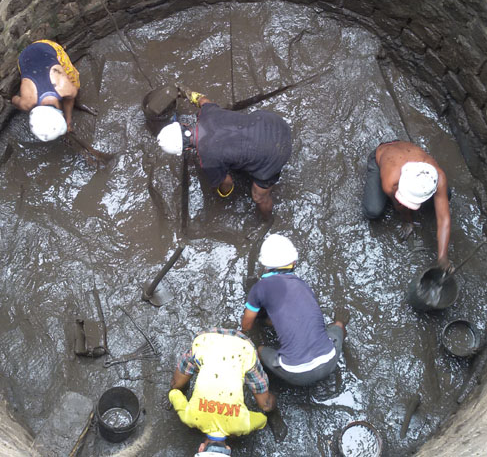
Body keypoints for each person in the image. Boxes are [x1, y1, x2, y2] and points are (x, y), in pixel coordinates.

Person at [156, 92, 291, 218]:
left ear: (185, 150)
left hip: (275, 153)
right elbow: (203, 100)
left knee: (259, 197)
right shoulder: (206, 112)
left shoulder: (207, 160)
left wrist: (223, 193)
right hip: (274, 123)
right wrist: (190, 95)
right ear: (183, 124)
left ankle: (267, 219)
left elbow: (227, 182)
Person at [240, 234, 345, 386]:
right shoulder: (302, 285)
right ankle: (341, 324)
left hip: (296, 373)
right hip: (330, 361)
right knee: (338, 327)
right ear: (294, 262)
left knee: (260, 350)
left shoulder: (259, 288)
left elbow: (246, 325)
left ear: (265, 265)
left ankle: (273, 380)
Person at [169, 328, 277, 454]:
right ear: (201, 448)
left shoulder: (242, 425)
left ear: (228, 449)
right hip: (206, 341)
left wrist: (235, 429)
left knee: (266, 405)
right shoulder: (189, 417)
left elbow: (262, 420)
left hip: (243, 348)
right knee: (176, 385)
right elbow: (174, 393)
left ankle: (273, 409)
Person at [361, 140, 452, 270]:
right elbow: (400, 206)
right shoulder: (391, 182)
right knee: (372, 211)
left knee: (446, 194)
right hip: (384, 155)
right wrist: (408, 222)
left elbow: (444, 218)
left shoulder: (438, 176)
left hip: (407, 151)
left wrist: (443, 258)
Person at [11, 39, 80, 141]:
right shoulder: (27, 103)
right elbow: (13, 100)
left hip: (46, 47)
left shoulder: (67, 89)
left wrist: (68, 122)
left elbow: (13, 100)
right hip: (24, 57)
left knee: (74, 81)